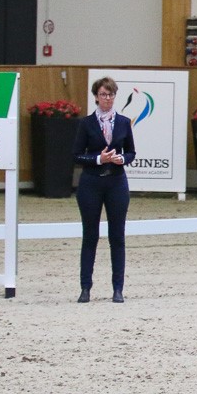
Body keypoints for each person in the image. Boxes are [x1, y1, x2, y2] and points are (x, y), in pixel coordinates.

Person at [73, 77, 136, 303]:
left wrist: (121, 158)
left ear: (114, 96)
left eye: (110, 95)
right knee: (90, 236)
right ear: (96, 97)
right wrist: (99, 158)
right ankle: (85, 287)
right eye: (103, 95)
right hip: (91, 182)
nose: (107, 99)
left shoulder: (123, 122)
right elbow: (76, 154)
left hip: (116, 183)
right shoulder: (86, 123)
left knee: (117, 236)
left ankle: (117, 288)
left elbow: (131, 151)